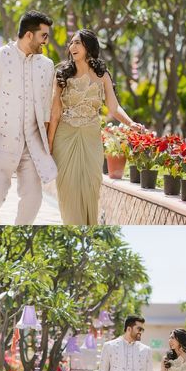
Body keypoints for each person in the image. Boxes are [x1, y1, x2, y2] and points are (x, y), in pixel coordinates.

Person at [0, 10, 57, 225]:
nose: (46, 41)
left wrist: (49, 144)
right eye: (43, 36)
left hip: (32, 145)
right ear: (29, 35)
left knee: (34, 200)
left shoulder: (46, 66)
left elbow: (46, 110)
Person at [47, 29, 142, 225]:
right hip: (65, 138)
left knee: (91, 186)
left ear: (88, 47)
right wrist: (48, 145)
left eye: (77, 43)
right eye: (71, 43)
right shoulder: (62, 75)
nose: (72, 47)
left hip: (91, 138)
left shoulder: (102, 75)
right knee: (68, 188)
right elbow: (55, 113)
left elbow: (114, 108)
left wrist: (131, 123)